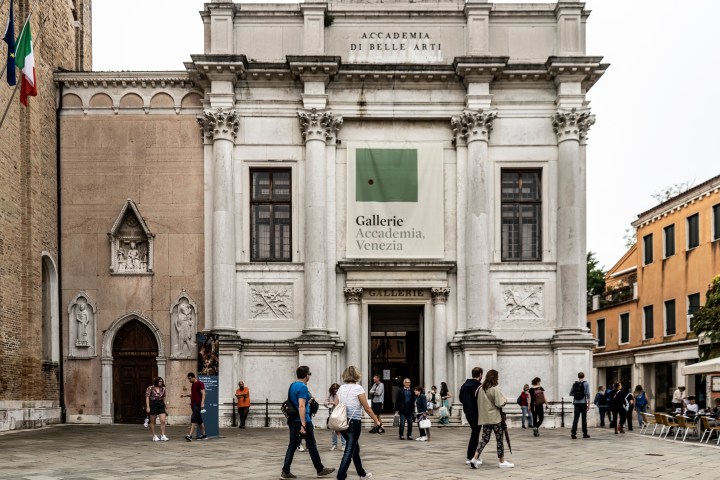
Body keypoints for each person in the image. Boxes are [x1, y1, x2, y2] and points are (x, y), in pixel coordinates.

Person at [280, 366, 334, 479]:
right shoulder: (303, 387)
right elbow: (300, 405)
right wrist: (303, 423)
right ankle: (320, 469)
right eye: (309, 373)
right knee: (312, 445)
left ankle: (285, 471)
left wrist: (308, 401)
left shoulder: (292, 385)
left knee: (292, 445)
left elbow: (295, 401)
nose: (309, 376)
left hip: (292, 420)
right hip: (302, 421)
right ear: (306, 375)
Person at [336, 366, 381, 480]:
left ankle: (362, 474)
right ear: (357, 375)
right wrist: (376, 420)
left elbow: (337, 406)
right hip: (354, 422)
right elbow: (367, 408)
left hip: (342, 422)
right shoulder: (358, 388)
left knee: (354, 448)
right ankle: (340, 476)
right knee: (350, 450)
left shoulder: (341, 388)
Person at [468, 369, 514, 469]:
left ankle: (475, 458)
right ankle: (502, 461)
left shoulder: (481, 389)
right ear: (494, 378)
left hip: (485, 419)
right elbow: (499, 403)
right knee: (499, 440)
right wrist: (505, 400)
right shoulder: (494, 389)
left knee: (484, 439)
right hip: (495, 419)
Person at [459, 367, 483, 465]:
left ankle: (474, 455)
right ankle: (471, 456)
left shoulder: (464, 385)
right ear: (480, 375)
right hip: (476, 413)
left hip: (467, 413)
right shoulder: (479, 386)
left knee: (475, 433)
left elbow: (461, 399)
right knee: (475, 434)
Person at [182, 372, 207, 441]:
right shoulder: (193, 385)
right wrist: (185, 395)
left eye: (190, 378)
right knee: (199, 420)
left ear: (193, 377)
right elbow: (193, 394)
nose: (189, 380)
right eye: (188, 379)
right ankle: (204, 435)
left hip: (197, 404)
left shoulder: (199, 383)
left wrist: (202, 403)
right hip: (193, 404)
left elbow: (203, 393)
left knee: (193, 418)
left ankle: (190, 435)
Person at [145, 376, 168, 442]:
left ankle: (163, 435)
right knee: (153, 421)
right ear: (156, 381)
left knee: (163, 420)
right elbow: (147, 397)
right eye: (160, 381)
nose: (161, 382)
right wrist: (148, 407)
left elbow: (164, 398)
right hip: (153, 404)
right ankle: (154, 436)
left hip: (161, 404)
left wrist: (165, 406)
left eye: (161, 381)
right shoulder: (150, 388)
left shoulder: (163, 389)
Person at [569, 372, 591, 439]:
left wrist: (577, 395)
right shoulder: (586, 383)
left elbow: (571, 393)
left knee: (576, 418)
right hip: (583, 403)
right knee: (584, 419)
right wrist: (588, 404)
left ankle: (573, 433)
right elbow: (588, 394)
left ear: (578, 376)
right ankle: (585, 433)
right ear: (584, 376)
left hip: (576, 403)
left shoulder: (575, 383)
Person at [325, 383, 346, 451]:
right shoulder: (330, 395)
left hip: (339, 414)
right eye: (334, 389)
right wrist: (328, 403)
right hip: (332, 414)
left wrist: (334, 403)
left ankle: (344, 445)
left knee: (341, 429)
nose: (335, 390)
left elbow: (343, 403)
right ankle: (334, 445)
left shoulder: (341, 395)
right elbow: (325, 402)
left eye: (337, 389)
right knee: (333, 431)